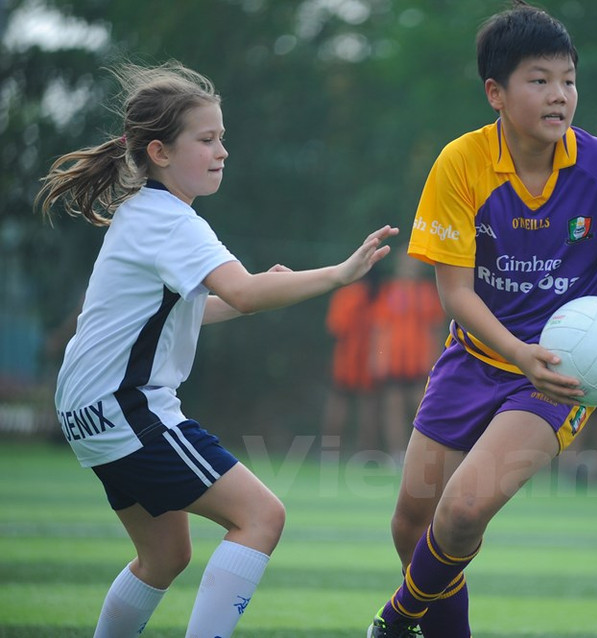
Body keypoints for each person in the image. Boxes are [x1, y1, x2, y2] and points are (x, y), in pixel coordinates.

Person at [35, 60, 398, 638]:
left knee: (165, 557)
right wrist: (337, 273)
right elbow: (247, 294)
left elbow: (188, 310)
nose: (221, 150)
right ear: (158, 151)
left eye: (222, 138)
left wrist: (257, 289)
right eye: (206, 140)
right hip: (129, 407)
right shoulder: (172, 221)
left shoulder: (142, 213)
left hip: (90, 410)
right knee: (261, 517)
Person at [366, 2, 597, 636]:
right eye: (540, 79)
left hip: (555, 376)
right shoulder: (460, 163)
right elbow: (456, 295)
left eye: (569, 80)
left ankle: (394, 621)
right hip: (472, 360)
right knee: (411, 524)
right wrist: (515, 351)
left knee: (464, 509)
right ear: (495, 92)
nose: (560, 95)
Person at [369, 254, 446, 463]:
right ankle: (397, 455)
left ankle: (426, 453)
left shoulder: (428, 292)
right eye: (405, 262)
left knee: (422, 405)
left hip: (419, 360)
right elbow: (379, 327)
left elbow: (436, 328)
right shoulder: (389, 291)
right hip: (394, 361)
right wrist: (377, 358)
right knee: (393, 406)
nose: (409, 267)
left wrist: (436, 358)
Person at [323, 276, 382, 457]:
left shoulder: (346, 294)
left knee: (353, 403)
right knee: (361, 404)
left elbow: (335, 327)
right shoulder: (375, 295)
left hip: (354, 356)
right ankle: (361, 452)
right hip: (358, 356)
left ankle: (332, 452)